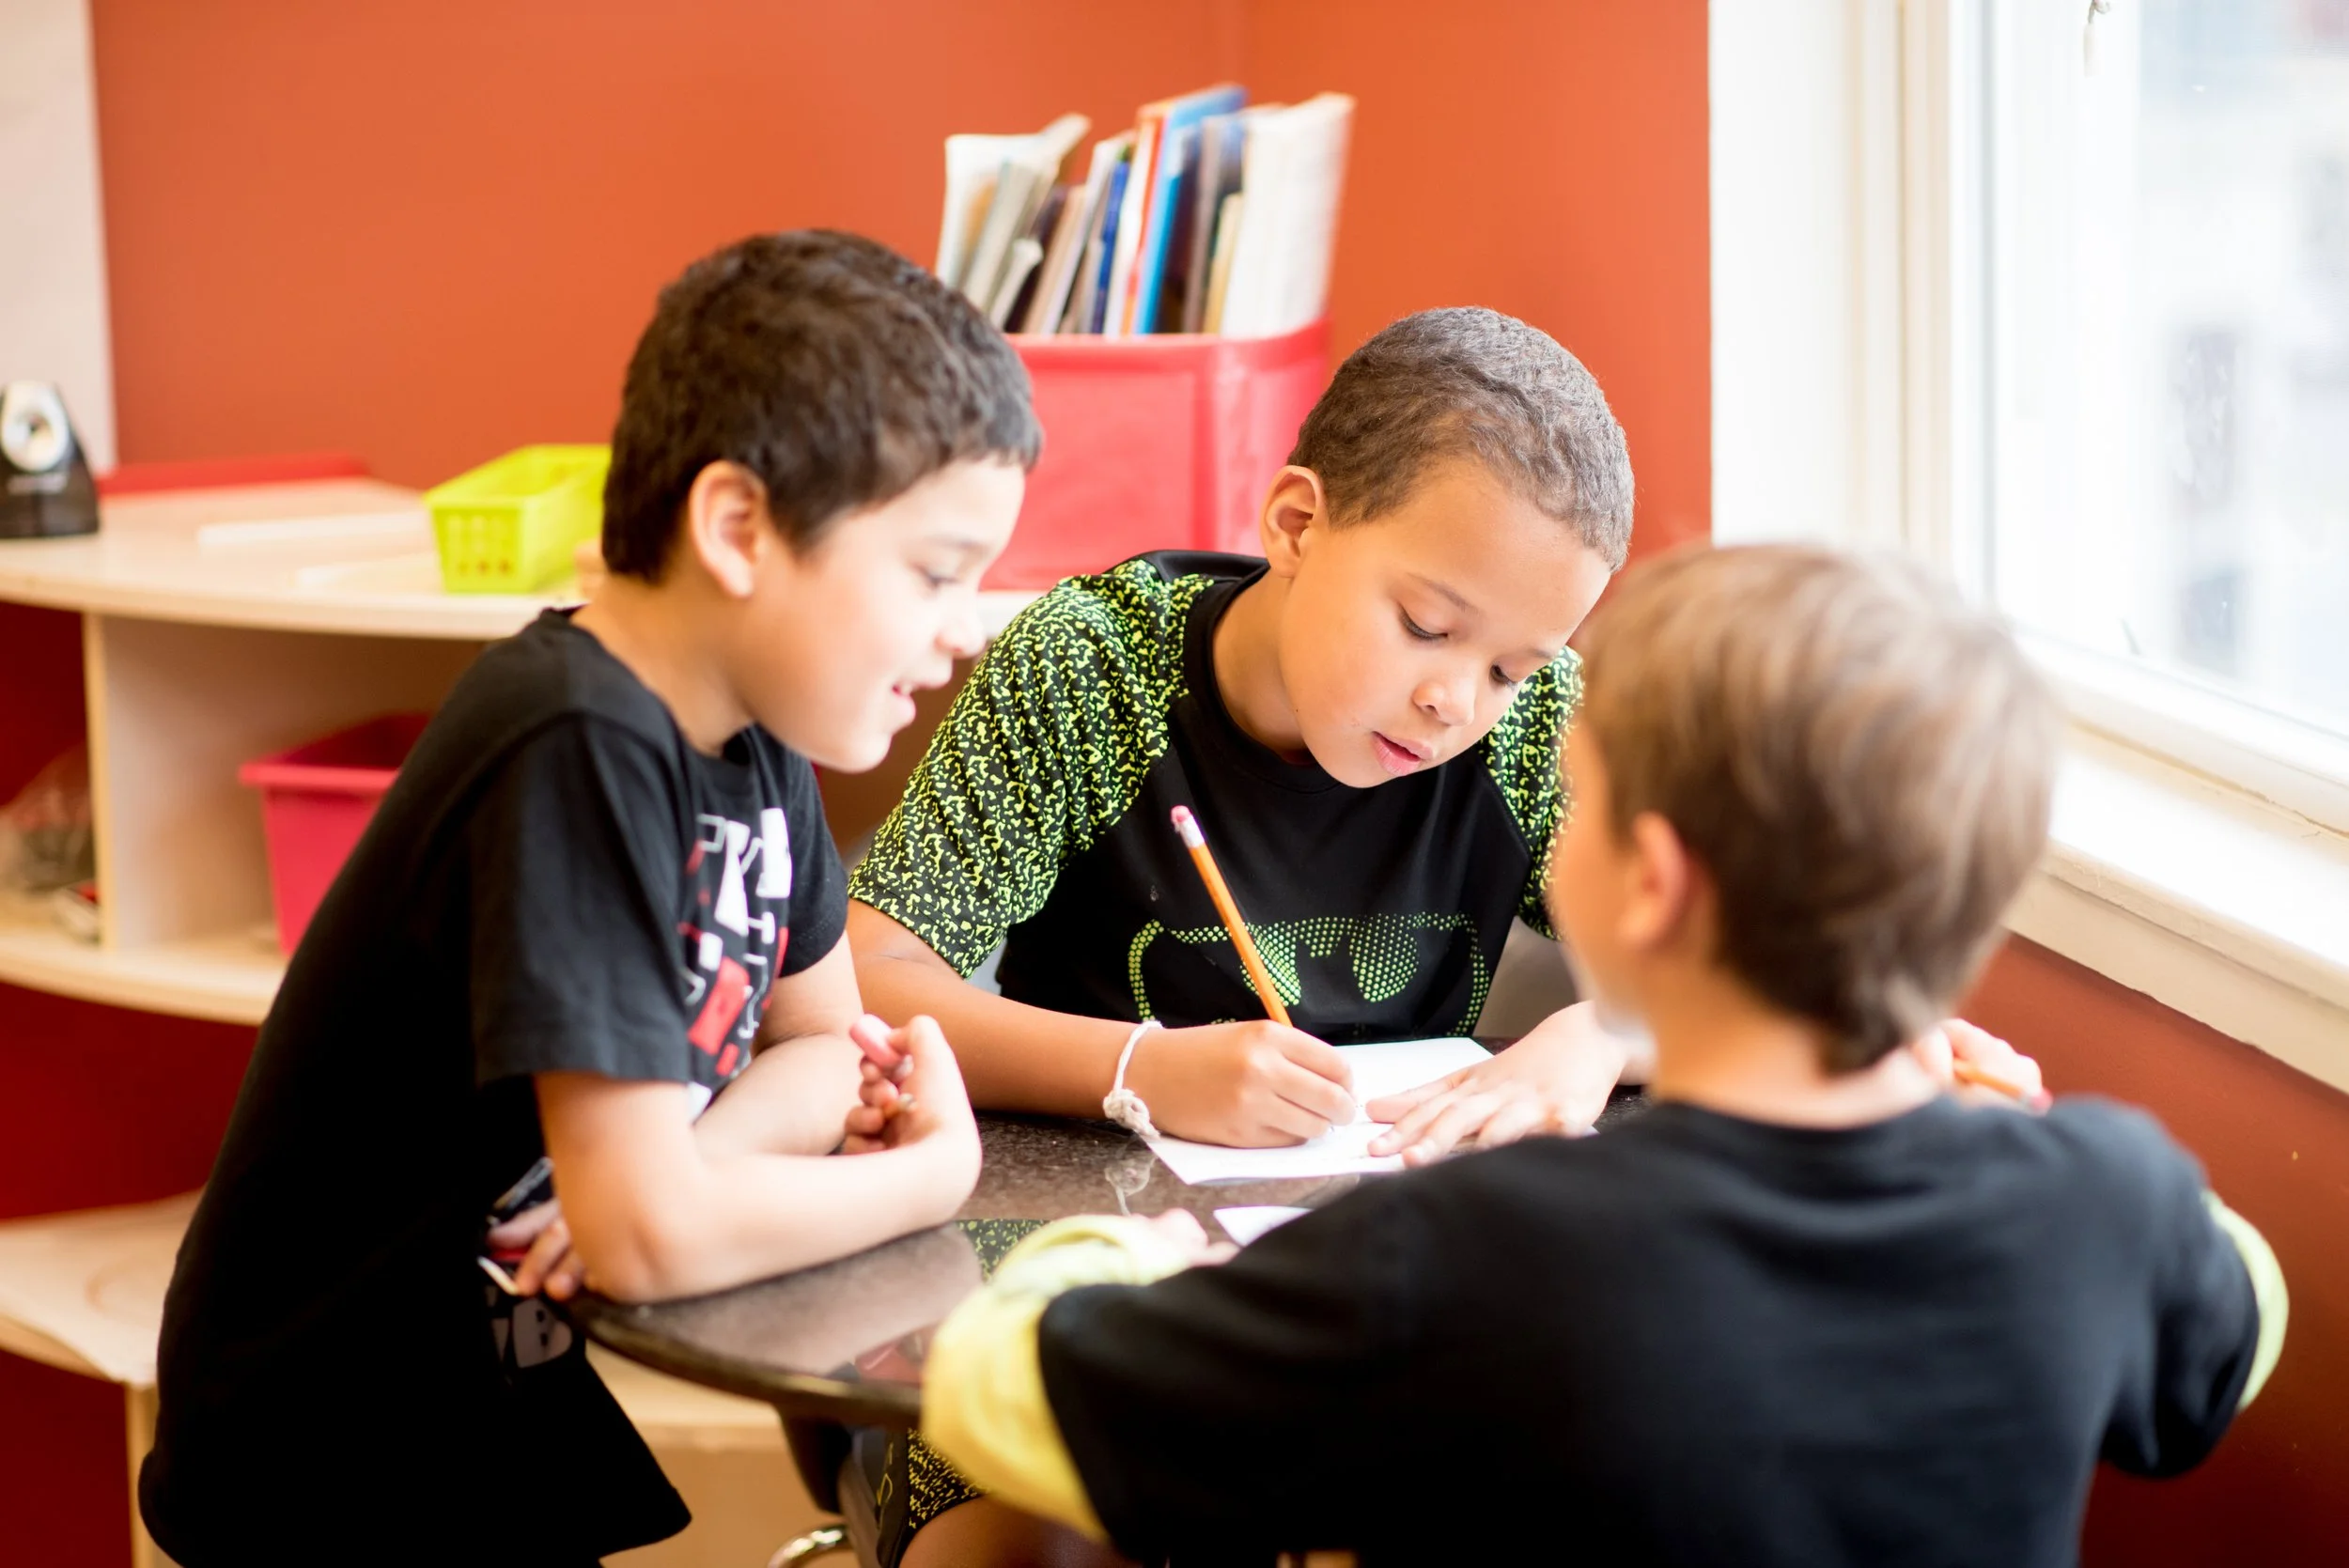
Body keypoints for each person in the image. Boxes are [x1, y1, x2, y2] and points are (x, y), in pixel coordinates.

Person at [913, 544, 2289, 1567]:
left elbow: (997, 1391)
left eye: (1574, 798)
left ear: (1652, 886)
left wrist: (1143, 1260)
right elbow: (2244, 1298)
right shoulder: (2105, 1206)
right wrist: (2018, 1130)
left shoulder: (1463, 1254)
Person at [138, 231, 1032, 1566]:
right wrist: (933, 1174)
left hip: (483, 1405)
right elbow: (652, 1236)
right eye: (934, 571)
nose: (970, 624)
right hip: (327, 1462)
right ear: (738, 529)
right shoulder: (574, 743)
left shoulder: (757, 739)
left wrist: (686, 1173)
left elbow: (830, 1057)